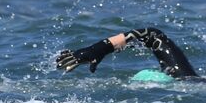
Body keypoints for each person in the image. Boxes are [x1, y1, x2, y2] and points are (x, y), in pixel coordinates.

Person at [56, 27, 198, 82]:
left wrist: (99, 48)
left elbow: (152, 35)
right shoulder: (191, 81)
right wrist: (99, 48)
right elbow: (153, 36)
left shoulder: (185, 79)